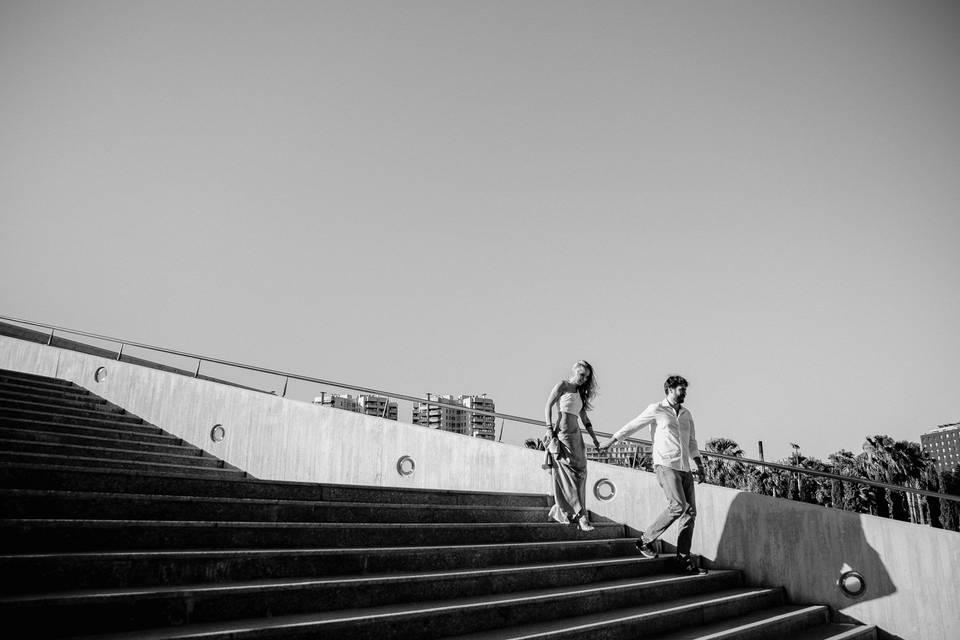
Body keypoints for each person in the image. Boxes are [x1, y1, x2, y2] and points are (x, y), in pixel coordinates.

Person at [598, 374, 707, 575]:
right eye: (681, 390)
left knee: (689, 513)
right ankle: (645, 540)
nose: (685, 393)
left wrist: (699, 465)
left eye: (685, 389)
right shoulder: (656, 409)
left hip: (684, 467)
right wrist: (612, 440)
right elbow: (634, 425)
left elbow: (692, 441)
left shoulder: (686, 413)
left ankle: (683, 561)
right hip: (665, 465)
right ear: (670, 390)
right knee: (677, 506)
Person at [543, 360, 600, 532]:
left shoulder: (580, 393)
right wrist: (548, 429)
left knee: (580, 474)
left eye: (587, 377)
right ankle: (582, 516)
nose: (584, 379)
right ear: (574, 371)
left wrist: (595, 439)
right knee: (568, 474)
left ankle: (572, 511)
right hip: (562, 434)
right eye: (582, 375)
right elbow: (548, 406)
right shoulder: (563, 385)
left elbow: (585, 419)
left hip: (576, 436)